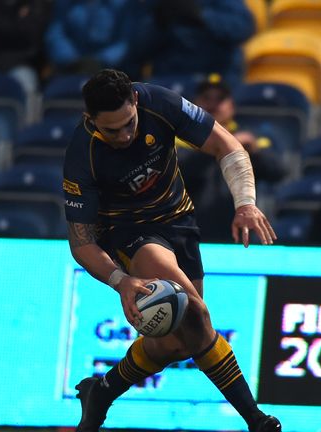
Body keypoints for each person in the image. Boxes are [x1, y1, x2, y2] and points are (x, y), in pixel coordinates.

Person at [62, 69, 280, 432]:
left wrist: (245, 203)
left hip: (180, 222)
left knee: (176, 344)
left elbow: (227, 146)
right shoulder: (82, 155)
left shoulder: (161, 103)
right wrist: (121, 281)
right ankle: (256, 420)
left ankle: (103, 391)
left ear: (135, 100)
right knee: (194, 313)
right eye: (111, 130)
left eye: (128, 124)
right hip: (129, 233)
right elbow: (81, 242)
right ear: (90, 120)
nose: (124, 135)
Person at [179, 74, 289, 242]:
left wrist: (254, 151)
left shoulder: (250, 140)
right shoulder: (181, 139)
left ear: (232, 107)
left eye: (220, 99)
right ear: (195, 104)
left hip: (241, 237)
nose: (213, 104)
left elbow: (279, 171)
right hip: (193, 236)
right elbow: (181, 169)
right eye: (206, 98)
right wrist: (218, 146)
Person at [132, 0, 255, 89]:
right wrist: (158, 23)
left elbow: (243, 28)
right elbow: (136, 50)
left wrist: (201, 16)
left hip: (217, 77)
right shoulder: (155, 3)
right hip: (169, 80)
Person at [43, 0, 144, 78]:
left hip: (116, 73)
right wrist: (72, 60)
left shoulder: (125, 4)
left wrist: (100, 61)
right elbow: (55, 34)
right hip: (70, 70)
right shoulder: (66, 3)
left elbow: (126, 42)